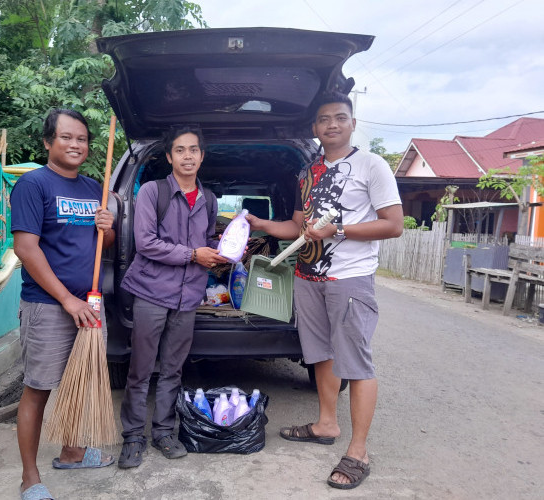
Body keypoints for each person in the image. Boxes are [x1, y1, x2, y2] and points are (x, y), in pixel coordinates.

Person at [246, 92, 403, 490]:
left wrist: (340, 230)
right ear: (314, 128)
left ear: (352, 122)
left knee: (356, 362)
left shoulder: (372, 165)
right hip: (307, 277)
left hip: (349, 278)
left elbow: (393, 224)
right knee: (320, 355)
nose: (331, 124)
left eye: (339, 117)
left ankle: (358, 452)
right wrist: (261, 225)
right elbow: (297, 228)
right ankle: (326, 423)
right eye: (323, 119)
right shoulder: (307, 174)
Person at [10, 109, 116, 500]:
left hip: (90, 303)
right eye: (67, 137)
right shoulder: (33, 185)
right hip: (49, 305)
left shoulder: (94, 189)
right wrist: (66, 299)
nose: (76, 145)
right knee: (38, 389)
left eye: (82, 139)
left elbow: (105, 247)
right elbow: (26, 248)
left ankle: (72, 453)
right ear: (48, 142)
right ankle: (30, 478)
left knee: (81, 381)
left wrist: (109, 228)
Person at [117, 125, 228, 469]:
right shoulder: (152, 192)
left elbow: (207, 238)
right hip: (152, 292)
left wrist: (223, 250)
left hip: (189, 296)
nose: (187, 156)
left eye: (193, 149)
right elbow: (146, 242)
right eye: (180, 150)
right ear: (169, 157)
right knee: (140, 369)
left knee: (173, 370)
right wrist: (195, 255)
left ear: (202, 155)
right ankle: (133, 436)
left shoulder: (208, 199)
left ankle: (163, 432)